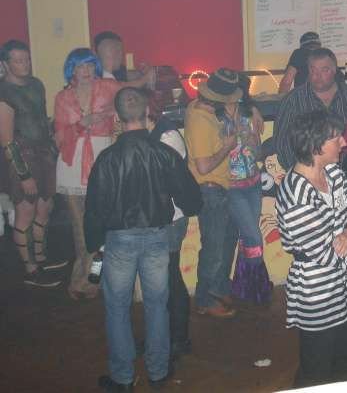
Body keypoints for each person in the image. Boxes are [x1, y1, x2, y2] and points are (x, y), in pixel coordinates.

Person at [84, 87, 201, 392]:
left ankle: (123, 378)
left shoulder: (107, 158)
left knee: (117, 309)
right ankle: (158, 372)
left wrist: (93, 245)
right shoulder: (163, 153)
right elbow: (192, 200)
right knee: (157, 306)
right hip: (157, 237)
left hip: (119, 240)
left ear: (117, 118)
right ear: (147, 113)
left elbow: (94, 208)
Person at [276, 109, 347, 387]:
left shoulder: (332, 172)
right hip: (317, 292)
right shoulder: (295, 194)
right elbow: (324, 251)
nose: (345, 143)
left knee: (346, 361)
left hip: (343, 286)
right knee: (316, 371)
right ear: (316, 146)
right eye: (337, 138)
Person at [54, 48, 122, 300]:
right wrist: (82, 124)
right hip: (72, 165)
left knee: (102, 227)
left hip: (102, 163)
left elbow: (132, 100)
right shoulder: (63, 98)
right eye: (80, 66)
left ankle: (95, 277)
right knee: (80, 230)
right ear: (71, 69)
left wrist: (110, 114)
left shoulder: (109, 87)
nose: (85, 71)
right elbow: (59, 139)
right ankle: (83, 280)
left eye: (90, 65)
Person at [0, 39, 67, 287]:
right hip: (22, 157)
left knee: (45, 207)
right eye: (18, 60)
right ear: (5, 64)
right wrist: (24, 174)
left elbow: (40, 120)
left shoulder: (36, 84)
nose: (24, 64)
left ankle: (40, 258)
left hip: (44, 154)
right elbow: (7, 141)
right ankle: (30, 270)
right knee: (25, 212)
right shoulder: (4, 93)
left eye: (26, 59)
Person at [209, 68, 273, 304]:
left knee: (247, 237)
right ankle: (257, 285)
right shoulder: (213, 117)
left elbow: (257, 151)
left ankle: (244, 287)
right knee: (254, 237)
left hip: (253, 182)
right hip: (231, 186)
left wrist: (253, 141)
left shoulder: (248, 112)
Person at [184, 71, 239, 318]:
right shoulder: (200, 121)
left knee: (226, 241)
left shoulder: (199, 108)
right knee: (214, 250)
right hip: (210, 189)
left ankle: (217, 288)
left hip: (217, 189)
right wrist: (227, 147)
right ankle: (205, 300)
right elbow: (204, 166)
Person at [148, 104, 193, 361]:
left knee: (171, 278)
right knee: (162, 279)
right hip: (160, 218)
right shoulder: (154, 133)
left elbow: (169, 181)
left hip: (172, 218)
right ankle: (165, 336)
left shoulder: (167, 136)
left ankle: (179, 338)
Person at [274, 47, 347, 170]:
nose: (317, 76)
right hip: (307, 173)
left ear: (334, 70)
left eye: (324, 70)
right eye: (313, 70)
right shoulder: (293, 101)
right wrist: (303, 172)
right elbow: (282, 145)